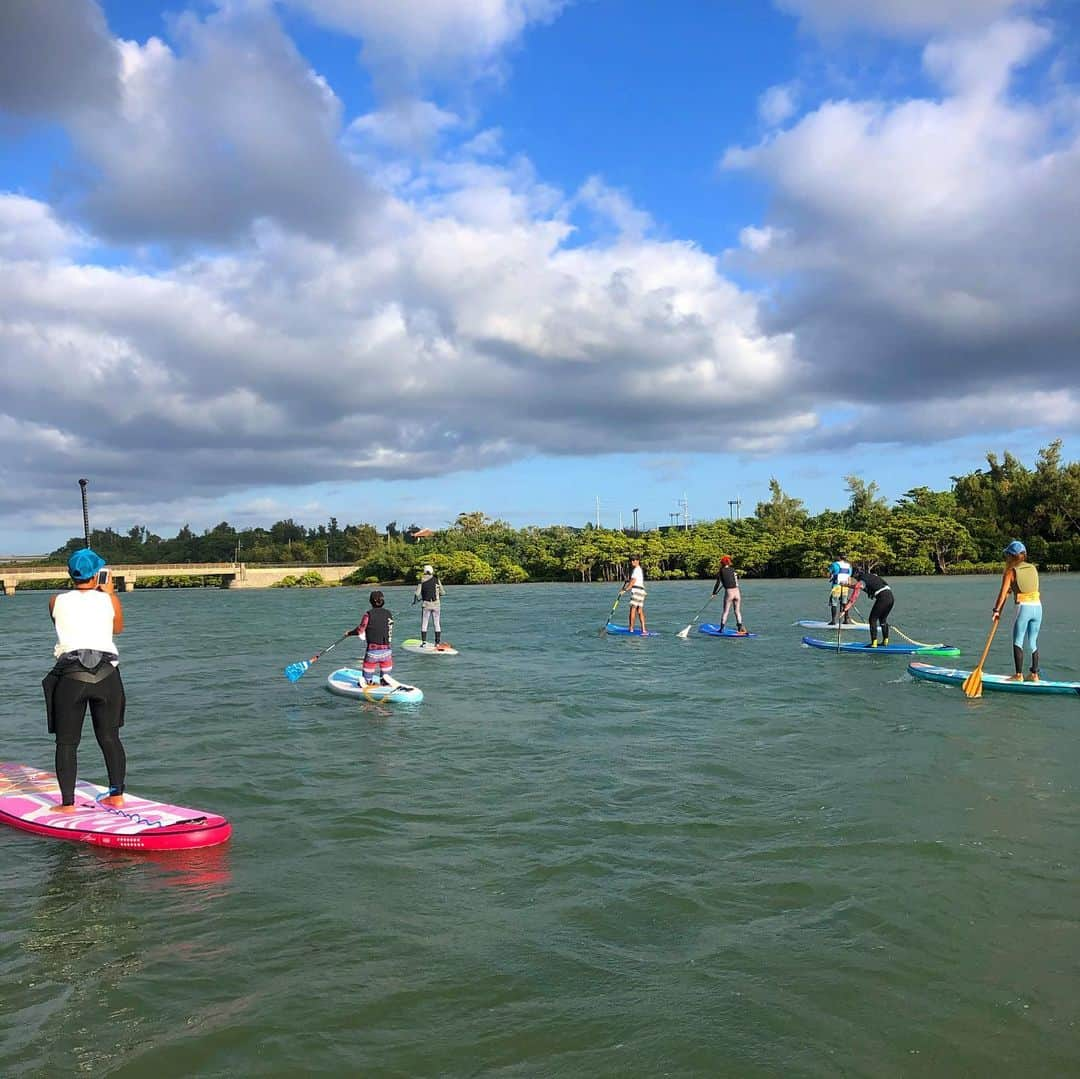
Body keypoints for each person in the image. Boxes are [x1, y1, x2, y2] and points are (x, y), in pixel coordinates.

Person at [41, 548, 126, 812]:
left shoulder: (55, 600)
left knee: (67, 742)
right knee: (110, 737)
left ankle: (67, 803)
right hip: (107, 675)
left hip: (71, 677)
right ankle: (116, 794)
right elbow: (117, 629)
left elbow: (61, 623)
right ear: (98, 574)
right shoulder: (108, 599)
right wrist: (108, 594)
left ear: (70, 573)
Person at [992, 540, 1042, 682]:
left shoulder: (1010, 572)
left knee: (1018, 640)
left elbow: (1002, 594)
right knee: (1033, 641)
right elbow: (1025, 586)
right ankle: (1034, 674)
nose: (1006, 558)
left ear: (1011, 556)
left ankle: (1018, 675)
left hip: (1024, 608)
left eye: (1007, 555)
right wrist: (1011, 589)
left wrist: (996, 610)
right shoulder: (1033, 568)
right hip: (1038, 607)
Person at [347, 591, 394, 685]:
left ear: (370, 601)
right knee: (386, 678)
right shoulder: (389, 614)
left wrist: (349, 633)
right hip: (387, 653)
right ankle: (385, 682)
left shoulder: (368, 614)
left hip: (372, 653)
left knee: (367, 679)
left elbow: (360, 630)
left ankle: (367, 682)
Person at [843, 567, 893, 647]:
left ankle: (874, 643)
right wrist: (846, 585)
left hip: (883, 598)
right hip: (890, 597)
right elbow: (858, 586)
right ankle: (885, 641)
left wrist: (846, 608)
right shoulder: (870, 576)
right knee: (882, 620)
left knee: (872, 619)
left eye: (854, 577)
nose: (854, 578)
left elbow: (855, 595)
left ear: (856, 575)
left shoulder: (862, 580)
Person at [413, 564, 448, 649]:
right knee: (437, 624)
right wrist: (437, 594)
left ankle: (424, 643)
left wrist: (415, 601)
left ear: (424, 572)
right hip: (436, 604)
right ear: (432, 571)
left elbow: (417, 594)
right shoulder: (436, 579)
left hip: (426, 605)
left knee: (424, 623)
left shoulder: (421, 580)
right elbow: (443, 593)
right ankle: (437, 643)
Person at [711, 555, 747, 633]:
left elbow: (718, 583)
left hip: (729, 593)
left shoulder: (721, 571)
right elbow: (736, 580)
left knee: (726, 611)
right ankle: (740, 628)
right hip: (737, 592)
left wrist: (714, 593)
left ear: (722, 563)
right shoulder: (733, 570)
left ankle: (721, 629)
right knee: (737, 611)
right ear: (729, 562)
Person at [620, 555, 647, 634]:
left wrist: (624, 590)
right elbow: (633, 580)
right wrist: (628, 581)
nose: (632, 562)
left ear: (638, 561)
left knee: (633, 609)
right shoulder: (639, 570)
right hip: (642, 592)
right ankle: (644, 630)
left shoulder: (636, 570)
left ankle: (631, 629)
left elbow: (633, 582)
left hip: (637, 591)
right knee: (639, 610)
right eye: (631, 560)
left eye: (634, 560)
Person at [828, 557, 854, 625]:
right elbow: (849, 577)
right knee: (844, 603)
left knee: (834, 602)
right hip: (845, 586)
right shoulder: (848, 565)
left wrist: (831, 578)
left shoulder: (834, 564)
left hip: (836, 586)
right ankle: (846, 620)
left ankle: (833, 621)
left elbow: (830, 574)